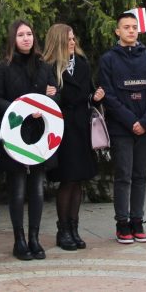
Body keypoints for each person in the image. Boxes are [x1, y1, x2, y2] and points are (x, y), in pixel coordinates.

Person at [0, 20, 58, 260]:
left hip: (39, 133)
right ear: (13, 39)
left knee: (38, 189)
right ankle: (19, 241)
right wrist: (21, 109)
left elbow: (53, 94)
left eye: (29, 33)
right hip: (14, 133)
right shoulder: (3, 68)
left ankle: (35, 239)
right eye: (21, 35)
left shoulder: (44, 65)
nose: (26, 38)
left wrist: (52, 97)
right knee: (17, 189)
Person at [99, 11, 146, 244]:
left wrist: (145, 122)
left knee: (140, 176)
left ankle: (138, 221)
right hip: (121, 127)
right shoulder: (108, 60)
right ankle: (122, 223)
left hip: (145, 128)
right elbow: (110, 96)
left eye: (134, 27)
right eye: (126, 27)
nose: (130, 30)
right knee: (123, 176)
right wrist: (130, 121)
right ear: (117, 31)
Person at [41, 23, 105, 250]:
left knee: (79, 180)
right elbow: (43, 99)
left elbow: (87, 92)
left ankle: (75, 228)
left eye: (73, 37)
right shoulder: (48, 67)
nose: (72, 41)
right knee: (67, 179)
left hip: (82, 127)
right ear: (58, 41)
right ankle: (63, 230)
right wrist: (52, 94)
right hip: (62, 129)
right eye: (68, 38)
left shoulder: (83, 64)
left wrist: (96, 97)